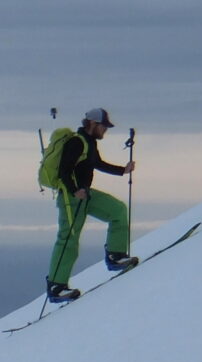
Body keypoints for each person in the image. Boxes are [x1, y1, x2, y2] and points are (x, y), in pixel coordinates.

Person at [45, 107, 136, 302]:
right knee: (68, 238)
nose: (105, 130)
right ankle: (56, 286)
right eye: (104, 126)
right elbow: (63, 171)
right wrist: (74, 190)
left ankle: (115, 257)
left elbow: (97, 163)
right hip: (72, 197)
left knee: (117, 210)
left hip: (85, 194)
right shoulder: (76, 142)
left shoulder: (89, 142)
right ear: (93, 124)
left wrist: (123, 170)